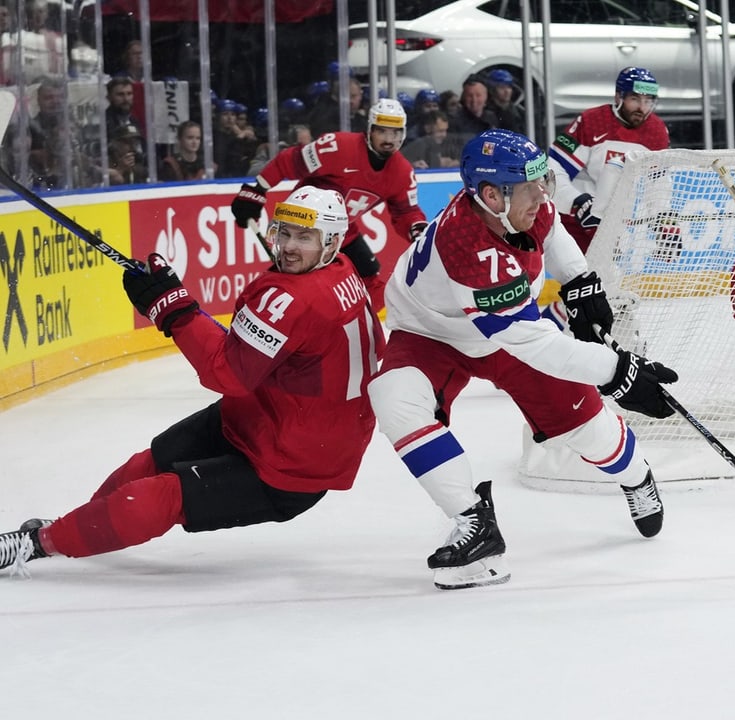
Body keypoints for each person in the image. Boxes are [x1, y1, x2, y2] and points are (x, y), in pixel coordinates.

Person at [0, 187, 382, 574]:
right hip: (268, 418)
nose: (288, 247)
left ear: (331, 242)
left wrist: (174, 310)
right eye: (284, 233)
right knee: (150, 461)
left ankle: (37, 544)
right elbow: (250, 352)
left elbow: (227, 372)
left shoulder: (295, 298)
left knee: (160, 496)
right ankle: (74, 526)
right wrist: (177, 305)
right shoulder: (341, 270)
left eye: (304, 237)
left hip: (292, 466)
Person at [366, 129, 678, 590]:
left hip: (505, 328)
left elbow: (550, 225)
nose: (542, 194)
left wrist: (578, 279)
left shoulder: (517, 199)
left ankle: (636, 477)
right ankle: (475, 523)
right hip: (432, 334)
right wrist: (615, 371)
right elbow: (530, 343)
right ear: (490, 195)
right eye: (530, 187)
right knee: (393, 397)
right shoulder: (468, 245)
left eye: (541, 181)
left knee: (591, 433)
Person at [230, 97, 427, 312]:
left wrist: (416, 229)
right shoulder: (338, 147)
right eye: (382, 131)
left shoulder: (402, 172)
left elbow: (406, 211)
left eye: (396, 133)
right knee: (295, 279)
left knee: (370, 282)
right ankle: (262, 315)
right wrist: (257, 189)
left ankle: (349, 325)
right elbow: (290, 161)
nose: (389, 139)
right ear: (370, 129)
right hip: (305, 225)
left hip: (342, 230)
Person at [547, 67, 670, 254]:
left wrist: (664, 222)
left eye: (648, 101)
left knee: (607, 279)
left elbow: (658, 182)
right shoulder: (592, 121)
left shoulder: (657, 131)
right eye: (635, 99)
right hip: (574, 221)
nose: (641, 108)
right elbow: (553, 170)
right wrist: (577, 201)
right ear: (618, 97)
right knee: (577, 275)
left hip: (614, 223)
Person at [448, 74, 497, 144]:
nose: (474, 100)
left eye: (478, 95)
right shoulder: (454, 121)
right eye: (469, 96)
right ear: (463, 97)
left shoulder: (491, 117)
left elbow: (489, 147)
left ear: (486, 97)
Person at [104, 76, 144, 151]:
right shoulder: (103, 123)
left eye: (129, 94)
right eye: (120, 94)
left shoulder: (134, 121)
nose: (126, 99)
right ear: (109, 97)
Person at [486, 69, 522, 133]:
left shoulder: (518, 112)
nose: (507, 91)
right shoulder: (486, 113)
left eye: (509, 87)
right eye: (502, 87)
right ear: (492, 90)